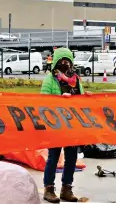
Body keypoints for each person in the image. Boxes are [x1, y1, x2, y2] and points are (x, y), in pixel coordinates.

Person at [40, 47, 92, 203]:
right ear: (56, 62)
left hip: (72, 125)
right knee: (53, 157)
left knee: (71, 158)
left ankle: (66, 188)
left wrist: (86, 98)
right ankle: (48, 189)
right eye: (61, 61)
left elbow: (80, 99)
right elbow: (43, 101)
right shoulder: (50, 79)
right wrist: (60, 99)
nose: (65, 64)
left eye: (67, 61)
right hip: (55, 124)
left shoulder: (76, 80)